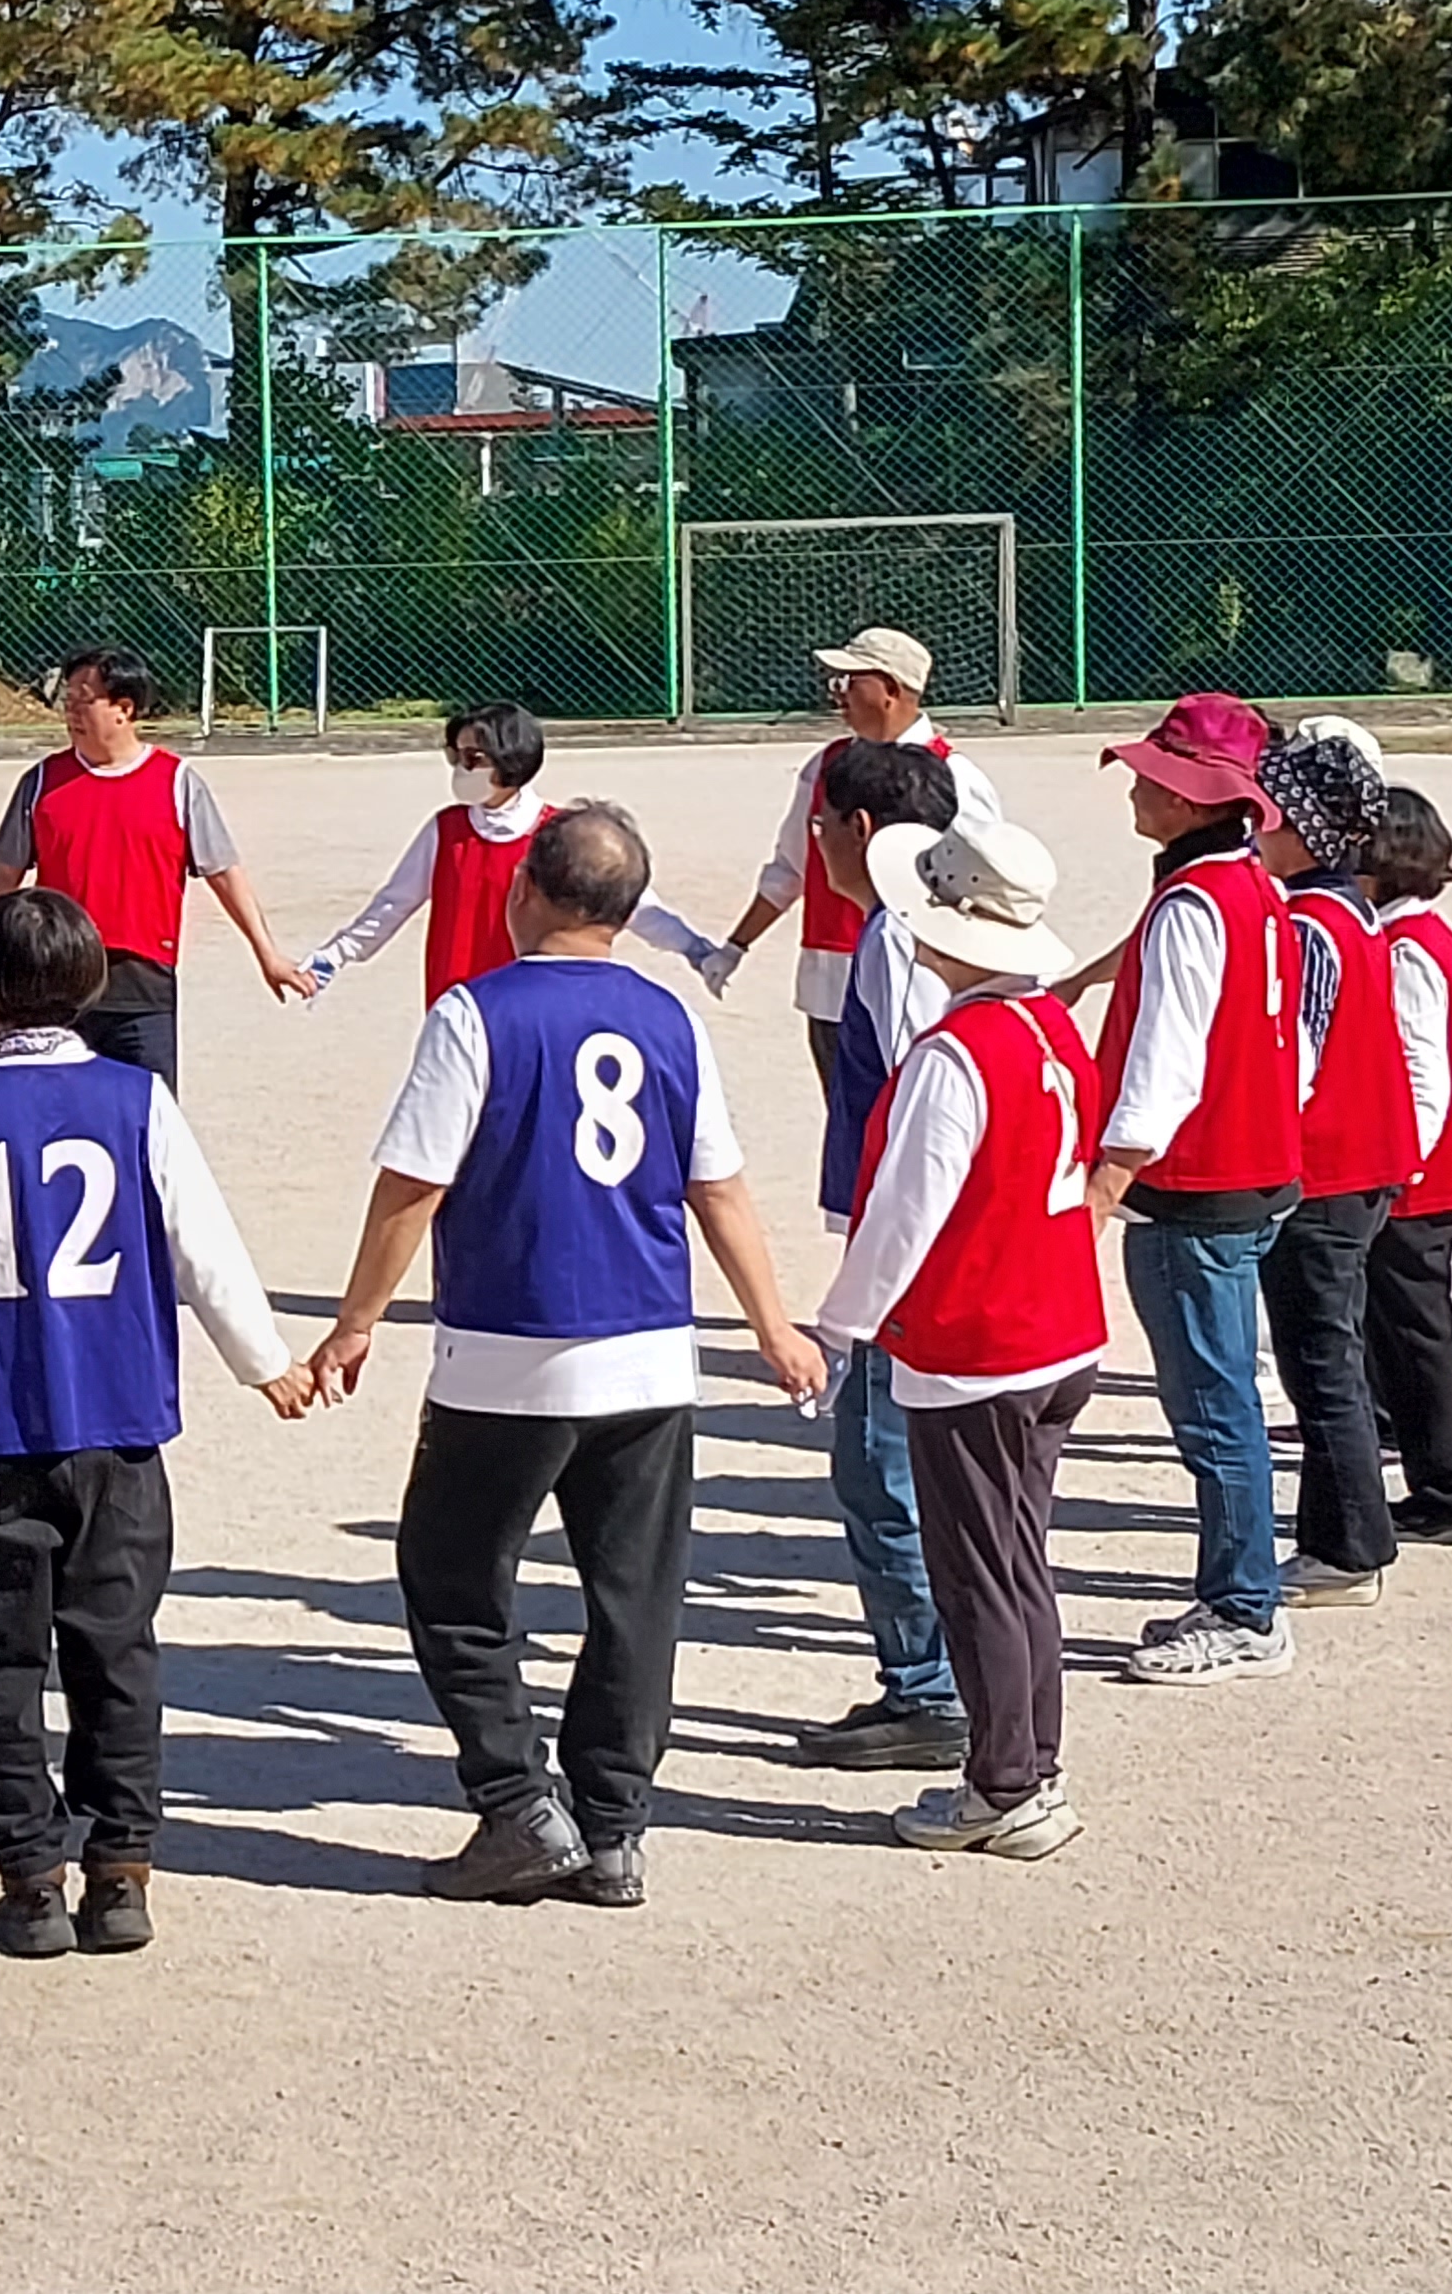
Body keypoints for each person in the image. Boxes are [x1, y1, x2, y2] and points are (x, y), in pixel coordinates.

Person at [307, 804, 825, 1910]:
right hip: (650, 1351)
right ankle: (615, 1824)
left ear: (524, 890)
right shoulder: (669, 1019)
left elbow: (414, 1183)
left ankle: (516, 1802)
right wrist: (772, 1325)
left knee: (452, 1578)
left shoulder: (476, 1012)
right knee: (634, 1595)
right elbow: (719, 1188)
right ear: (629, 913)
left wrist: (357, 1320)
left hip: (511, 1350)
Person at [0, 889, 309, 1959]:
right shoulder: (137, 1101)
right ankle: (122, 1868)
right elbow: (203, 1246)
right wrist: (266, 1364)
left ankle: (30, 1879)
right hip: (114, 1419)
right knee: (117, 1648)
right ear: (92, 982)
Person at [814, 818, 1107, 1862]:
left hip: (979, 1342)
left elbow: (907, 1212)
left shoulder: (954, 1054)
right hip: (1058, 1326)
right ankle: (1028, 1763)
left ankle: (1006, 1783)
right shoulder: (1048, 1025)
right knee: (1018, 1561)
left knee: (978, 1570)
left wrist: (841, 1325)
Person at [1085, 693, 1303, 1686]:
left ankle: (1245, 1609)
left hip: (1194, 1188)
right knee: (1230, 1404)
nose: (1137, 788)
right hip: (1256, 1171)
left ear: (1188, 798)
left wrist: (1106, 1184)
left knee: (1215, 1414)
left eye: (1153, 777)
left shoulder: (1191, 904)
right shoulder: (1256, 887)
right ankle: (1242, 1595)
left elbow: (1164, 1065)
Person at [793, 737, 971, 1774]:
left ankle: (927, 1685)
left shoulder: (896, 939)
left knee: (877, 1468)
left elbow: (921, 1100)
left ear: (860, 829)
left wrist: (860, 1296)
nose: (814, 841)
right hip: (935, 1237)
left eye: (822, 824)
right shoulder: (937, 923)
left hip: (914, 1247)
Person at [0, 647, 316, 1090]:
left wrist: (268, 955)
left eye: (84, 700)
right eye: (67, 701)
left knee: (148, 1113)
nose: (71, 712)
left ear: (124, 708)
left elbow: (224, 874)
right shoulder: (41, 783)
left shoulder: (177, 783)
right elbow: (4, 874)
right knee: (58, 1109)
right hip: (57, 983)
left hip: (142, 986)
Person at [1252, 727, 1413, 1608]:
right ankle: (1336, 1537)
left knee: (1320, 1362)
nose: (1257, 828)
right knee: (1329, 1353)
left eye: (1271, 814)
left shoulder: (1312, 923)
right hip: (1361, 1166)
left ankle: (1349, 1548)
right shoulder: (1351, 908)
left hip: (1327, 1171)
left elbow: (1299, 1052)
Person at [711, 626, 1007, 1106]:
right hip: (829, 986)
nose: (837, 694)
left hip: (919, 980)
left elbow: (988, 886)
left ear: (890, 688)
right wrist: (736, 946)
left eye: (849, 681)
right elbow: (791, 868)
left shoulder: (957, 778)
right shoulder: (824, 766)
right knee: (850, 1126)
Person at [304, 705, 718, 1004]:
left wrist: (695, 950)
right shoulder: (446, 831)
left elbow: (633, 904)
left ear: (512, 760)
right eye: (455, 757)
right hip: (459, 1005)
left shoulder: (559, 834)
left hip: (537, 1007)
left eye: (473, 759)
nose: (461, 768)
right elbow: (391, 905)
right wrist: (331, 959)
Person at [1365, 788, 1452, 1546]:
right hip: (1436, 1167)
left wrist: (1402, 1165)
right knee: (1404, 1327)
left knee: (1416, 1331)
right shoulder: (1421, 933)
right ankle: (1430, 1464)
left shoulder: (1406, 948)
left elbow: (1424, 1070)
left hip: (1423, 1175)